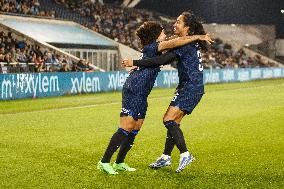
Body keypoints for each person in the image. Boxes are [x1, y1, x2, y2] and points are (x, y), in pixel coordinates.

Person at [97, 21, 212, 174]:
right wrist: (199, 36)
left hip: (143, 92)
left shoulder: (153, 46)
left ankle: (119, 162)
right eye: (162, 32)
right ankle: (104, 162)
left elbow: (171, 43)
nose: (165, 34)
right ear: (157, 35)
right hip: (135, 88)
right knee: (127, 126)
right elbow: (177, 41)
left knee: (135, 128)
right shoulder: (154, 46)